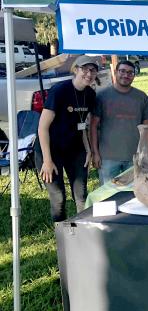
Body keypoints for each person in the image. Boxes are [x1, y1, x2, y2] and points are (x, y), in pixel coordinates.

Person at [35, 55, 99, 221]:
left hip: (75, 148)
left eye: (93, 70)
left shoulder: (90, 94)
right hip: (50, 149)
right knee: (58, 198)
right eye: (85, 69)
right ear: (76, 70)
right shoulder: (60, 91)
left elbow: (82, 123)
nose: (89, 73)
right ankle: (61, 235)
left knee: (82, 194)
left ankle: (83, 230)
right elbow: (42, 128)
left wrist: (88, 150)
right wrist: (47, 161)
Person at [90, 60, 148, 185]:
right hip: (107, 158)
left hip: (134, 156)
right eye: (122, 71)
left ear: (134, 75)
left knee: (133, 195)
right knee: (107, 196)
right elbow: (93, 126)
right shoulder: (102, 96)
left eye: (130, 73)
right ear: (115, 72)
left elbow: (147, 127)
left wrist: (146, 152)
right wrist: (95, 153)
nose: (126, 75)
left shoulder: (141, 97)